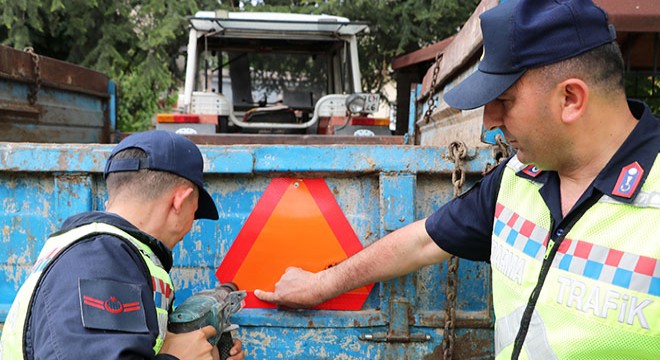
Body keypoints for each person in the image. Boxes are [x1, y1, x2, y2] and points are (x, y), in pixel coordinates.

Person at [254, 0, 660, 358]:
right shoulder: (519, 179)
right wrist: (322, 283)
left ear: (570, 99)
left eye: (504, 101)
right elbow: (423, 240)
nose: (489, 124)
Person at [1, 130, 245, 360]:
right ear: (179, 201)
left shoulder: (103, 254)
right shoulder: (99, 259)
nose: (191, 225)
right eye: (195, 211)